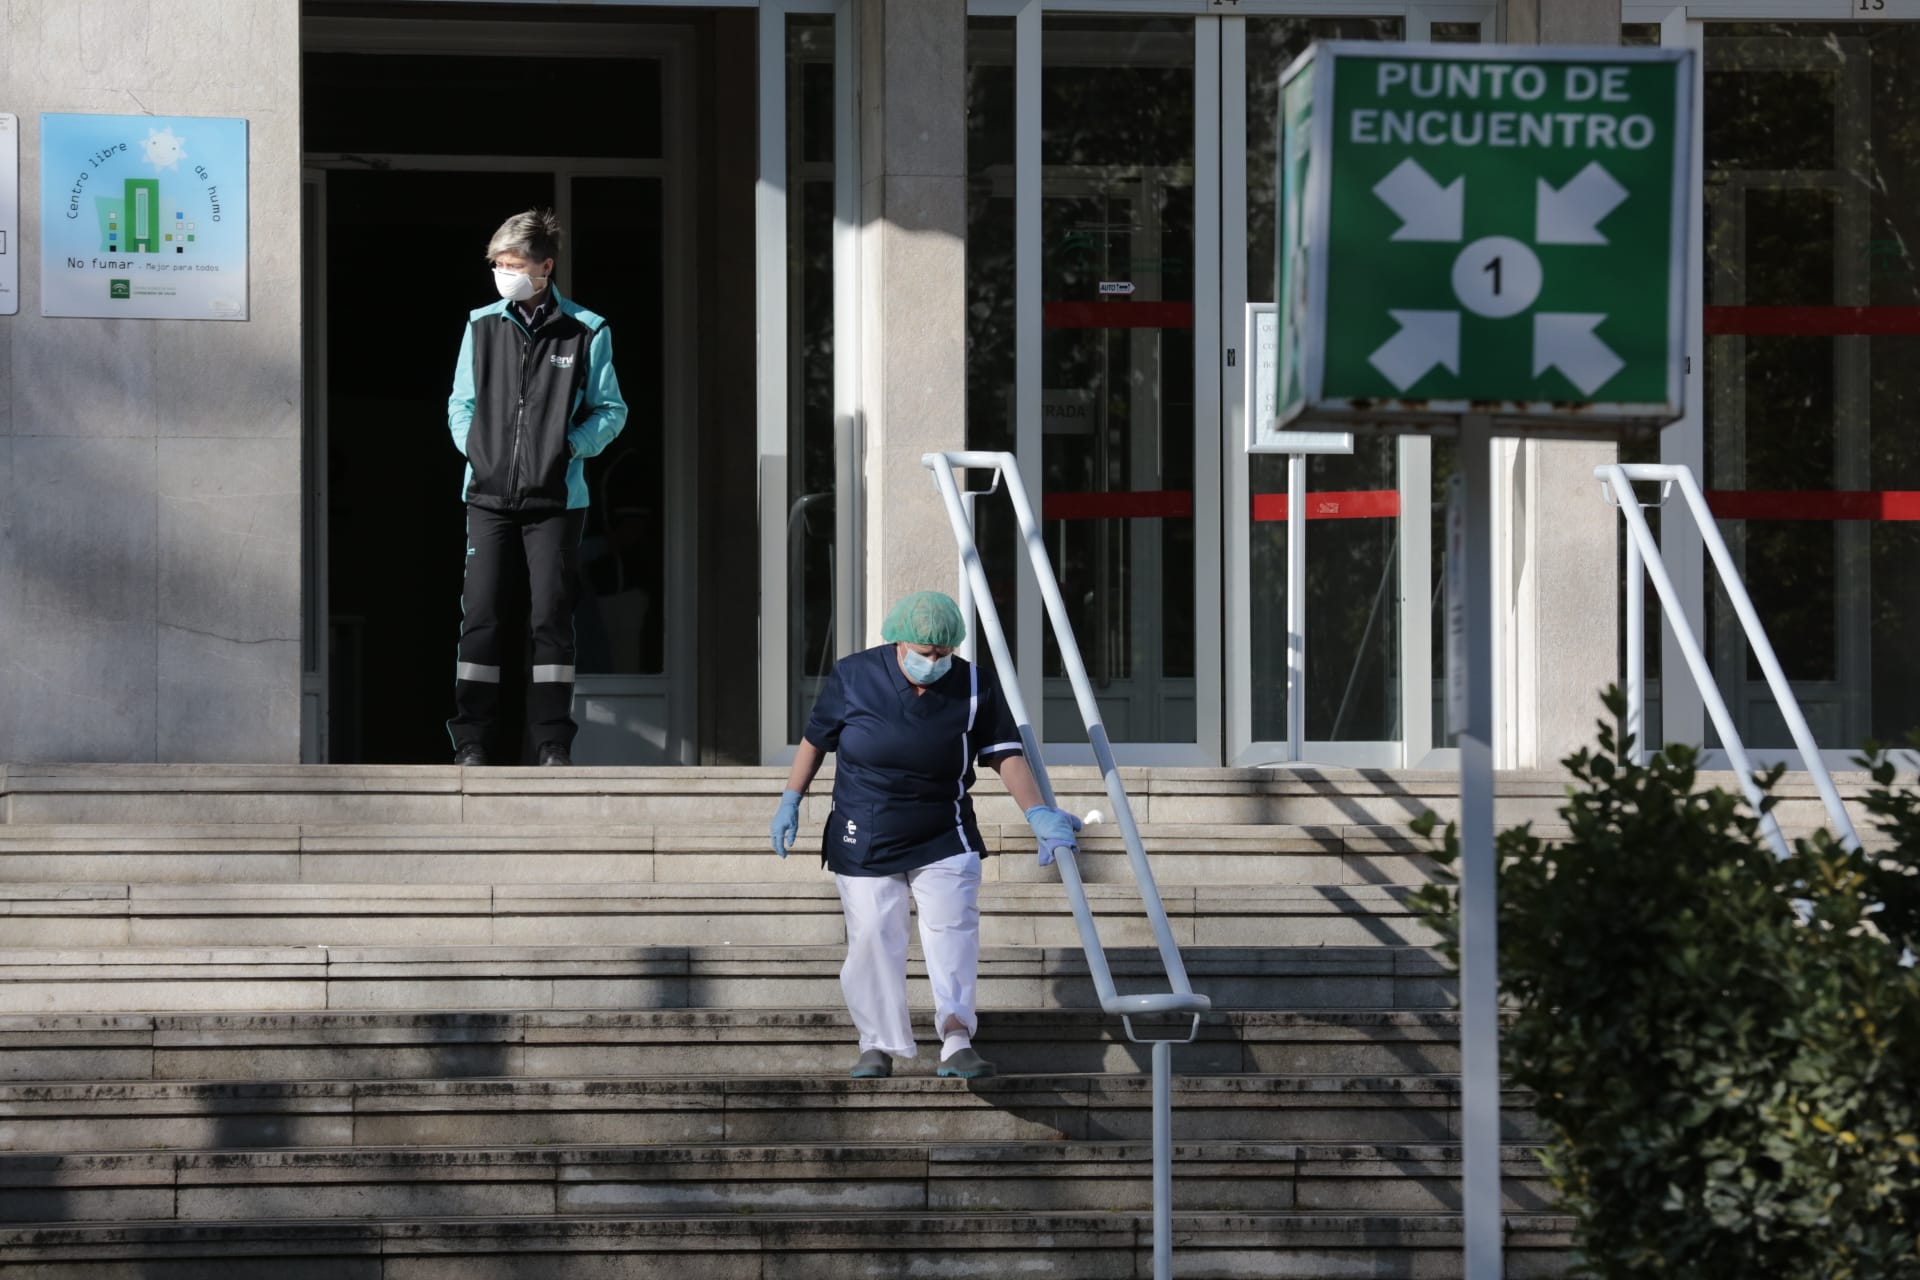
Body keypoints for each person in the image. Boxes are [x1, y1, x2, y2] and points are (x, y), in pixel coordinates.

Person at [769, 590, 1084, 1080]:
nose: (934, 662)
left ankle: (957, 1038)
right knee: (873, 934)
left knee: (952, 928)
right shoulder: (855, 676)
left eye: (943, 653)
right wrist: (791, 800)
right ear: (898, 642)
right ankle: (876, 1044)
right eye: (924, 652)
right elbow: (816, 739)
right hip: (865, 826)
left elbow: (1005, 753)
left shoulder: (976, 684)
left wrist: (1039, 813)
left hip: (944, 826)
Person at [445, 209, 627, 766]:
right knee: (481, 616)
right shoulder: (482, 325)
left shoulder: (587, 329)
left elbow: (611, 411)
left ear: (545, 266)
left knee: (549, 617)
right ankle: (471, 737)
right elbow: (461, 405)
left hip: (556, 502)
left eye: (514, 264)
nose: (504, 272)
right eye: (498, 264)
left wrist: (567, 448)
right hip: (488, 498)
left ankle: (551, 740)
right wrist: (480, 453)